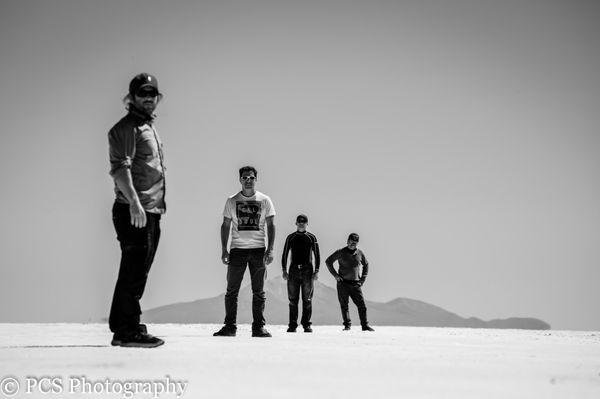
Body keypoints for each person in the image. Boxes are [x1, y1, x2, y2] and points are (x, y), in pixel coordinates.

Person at [107, 73, 166, 347]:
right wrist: (134, 203)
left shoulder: (148, 127)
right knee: (134, 270)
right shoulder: (126, 128)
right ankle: (127, 329)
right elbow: (121, 168)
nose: (148, 98)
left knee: (137, 269)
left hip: (150, 210)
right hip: (134, 210)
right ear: (131, 98)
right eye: (142, 93)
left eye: (152, 93)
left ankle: (123, 322)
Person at [214, 166, 276, 337]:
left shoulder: (265, 200)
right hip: (237, 251)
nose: (248, 180)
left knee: (259, 291)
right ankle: (230, 327)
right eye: (245, 177)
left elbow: (271, 225)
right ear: (240, 180)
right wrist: (224, 250)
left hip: (258, 251)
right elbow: (225, 225)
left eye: (251, 177)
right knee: (232, 291)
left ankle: (258, 328)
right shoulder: (232, 200)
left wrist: (270, 250)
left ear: (256, 179)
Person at [325, 233, 374, 331]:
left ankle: (365, 326)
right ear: (347, 241)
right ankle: (347, 326)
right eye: (351, 242)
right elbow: (328, 261)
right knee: (344, 306)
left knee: (362, 306)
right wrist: (335, 275)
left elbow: (366, 264)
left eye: (355, 243)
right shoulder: (341, 252)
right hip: (343, 283)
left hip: (356, 284)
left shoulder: (360, 253)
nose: (353, 245)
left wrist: (362, 279)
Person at [282, 214, 320, 333]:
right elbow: (284, 254)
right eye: (299, 222)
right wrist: (284, 270)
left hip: (307, 270)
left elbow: (317, 255)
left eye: (304, 222)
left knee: (307, 299)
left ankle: (306, 325)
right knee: (293, 300)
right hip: (293, 270)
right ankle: (292, 325)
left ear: (307, 224)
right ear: (296, 223)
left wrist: (316, 271)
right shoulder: (291, 237)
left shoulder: (311, 237)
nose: (301, 224)